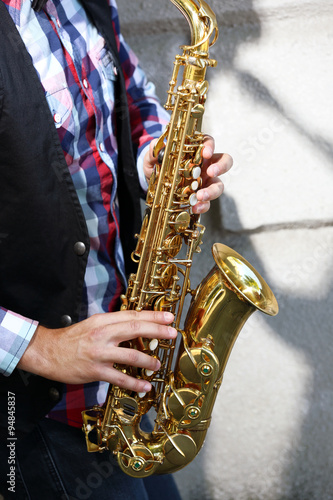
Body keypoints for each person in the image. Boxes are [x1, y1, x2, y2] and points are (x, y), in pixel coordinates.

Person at [0, 0, 233, 498]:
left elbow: (135, 103)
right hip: (34, 413)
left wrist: (164, 160)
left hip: (120, 390)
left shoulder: (83, 5)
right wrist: (41, 347)